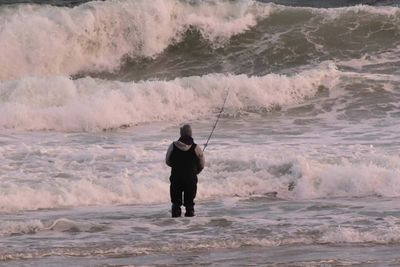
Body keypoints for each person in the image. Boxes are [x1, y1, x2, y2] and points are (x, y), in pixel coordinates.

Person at [166, 124, 205, 217]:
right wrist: (196, 171)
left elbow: (167, 161)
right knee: (189, 205)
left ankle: (175, 225)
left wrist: (176, 166)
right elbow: (202, 164)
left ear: (181, 134)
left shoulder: (173, 145)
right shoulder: (196, 148)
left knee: (176, 204)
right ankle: (189, 227)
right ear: (190, 134)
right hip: (191, 178)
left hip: (176, 177)